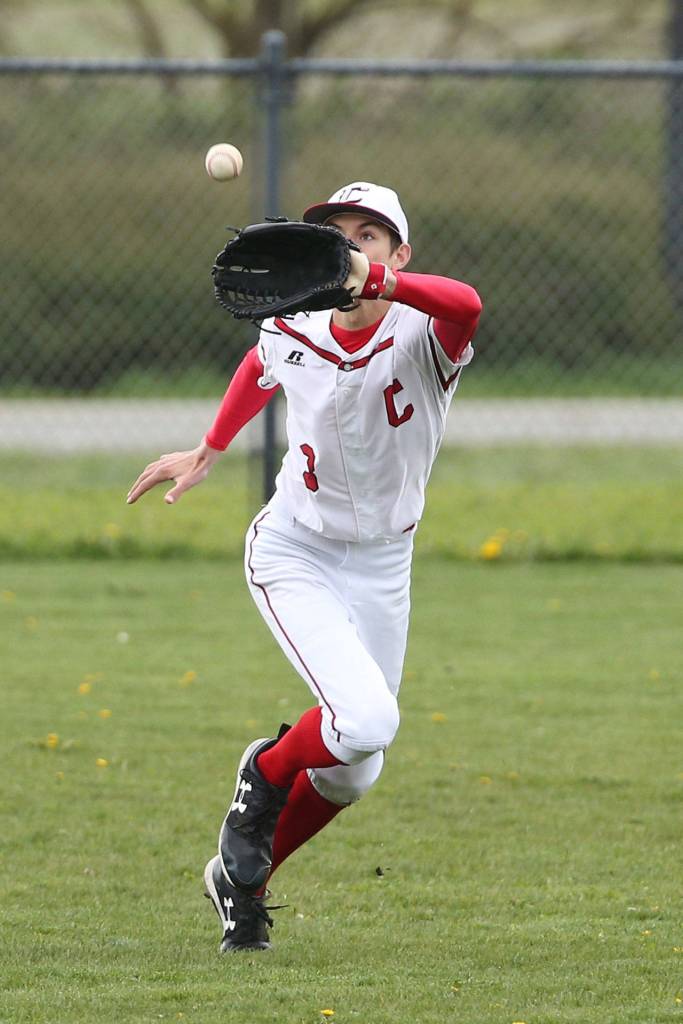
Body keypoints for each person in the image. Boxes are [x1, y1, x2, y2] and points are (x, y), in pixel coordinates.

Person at [126, 181, 482, 952]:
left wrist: (377, 284)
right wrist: (209, 448)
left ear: (398, 255)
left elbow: (468, 305)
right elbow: (261, 367)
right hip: (295, 550)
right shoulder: (295, 323)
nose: (350, 246)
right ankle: (265, 775)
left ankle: (238, 879)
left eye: (369, 236)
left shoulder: (426, 334)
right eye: (337, 234)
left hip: (384, 563)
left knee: (357, 768)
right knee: (368, 722)